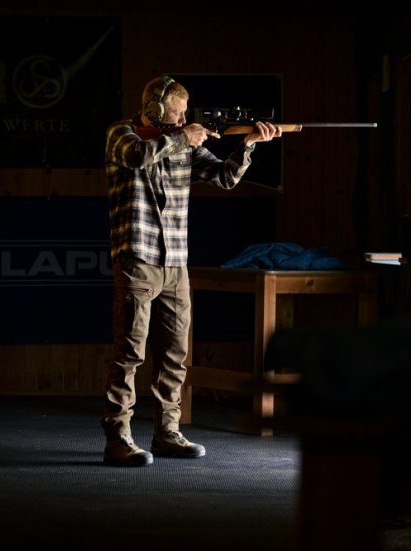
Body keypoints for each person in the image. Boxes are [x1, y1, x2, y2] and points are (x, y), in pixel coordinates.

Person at [101, 75, 282, 466]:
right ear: (153, 111)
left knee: (174, 354)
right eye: (178, 112)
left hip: (176, 262)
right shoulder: (122, 133)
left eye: (186, 113)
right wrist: (185, 137)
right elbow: (137, 156)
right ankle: (118, 437)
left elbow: (225, 177)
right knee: (129, 352)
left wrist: (248, 144)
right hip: (138, 259)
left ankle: (167, 432)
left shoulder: (183, 143)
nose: (184, 118)